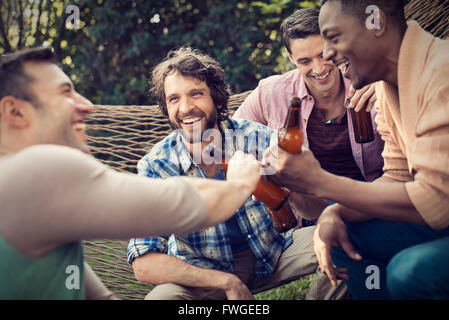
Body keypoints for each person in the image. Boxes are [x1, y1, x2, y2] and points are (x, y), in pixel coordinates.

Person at [0, 47, 263, 299]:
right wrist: (239, 185)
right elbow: (183, 204)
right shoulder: (33, 171)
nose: (87, 105)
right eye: (66, 92)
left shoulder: (32, 191)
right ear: (15, 112)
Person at [127, 47, 348, 300]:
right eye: (174, 99)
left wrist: (292, 190)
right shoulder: (157, 166)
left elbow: (316, 209)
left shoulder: (256, 137)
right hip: (202, 272)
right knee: (160, 299)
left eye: (196, 94)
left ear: (218, 100)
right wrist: (226, 282)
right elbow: (143, 263)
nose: (186, 107)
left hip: (271, 252)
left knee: (346, 239)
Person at [263, 0, 449, 299]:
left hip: (439, 213)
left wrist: (320, 182)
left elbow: (438, 203)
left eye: (333, 39)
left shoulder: (441, 72)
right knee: (339, 234)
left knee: (408, 271)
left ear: (375, 22)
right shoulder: (390, 87)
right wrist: (334, 213)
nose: (329, 56)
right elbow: (398, 176)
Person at [233, 8, 384, 227]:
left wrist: (388, 90)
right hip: (310, 209)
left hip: (369, 196)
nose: (319, 68)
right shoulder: (272, 92)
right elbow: (231, 135)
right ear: (291, 57)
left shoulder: (368, 80)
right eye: (305, 61)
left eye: (323, 55)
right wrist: (259, 167)